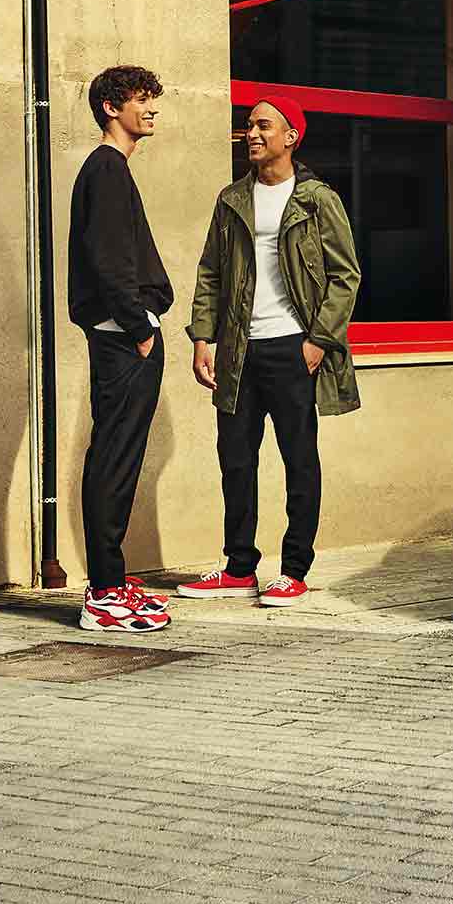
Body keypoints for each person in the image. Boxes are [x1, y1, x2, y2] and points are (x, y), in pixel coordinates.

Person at [177, 95, 360, 608]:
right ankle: (239, 567)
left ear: (290, 137)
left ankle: (294, 568)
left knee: (299, 461)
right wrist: (202, 338)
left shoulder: (317, 199)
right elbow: (210, 272)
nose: (251, 134)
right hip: (239, 349)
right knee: (235, 459)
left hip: (293, 348)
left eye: (262, 125)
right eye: (248, 126)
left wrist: (318, 340)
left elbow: (346, 276)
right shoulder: (233, 198)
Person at [69, 64, 174, 633]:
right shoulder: (106, 170)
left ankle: (112, 579)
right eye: (141, 100)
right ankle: (104, 594)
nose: (151, 109)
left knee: (119, 458)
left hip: (122, 334)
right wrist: (139, 329)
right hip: (122, 339)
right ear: (112, 107)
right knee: (114, 459)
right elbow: (110, 264)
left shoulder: (111, 170)